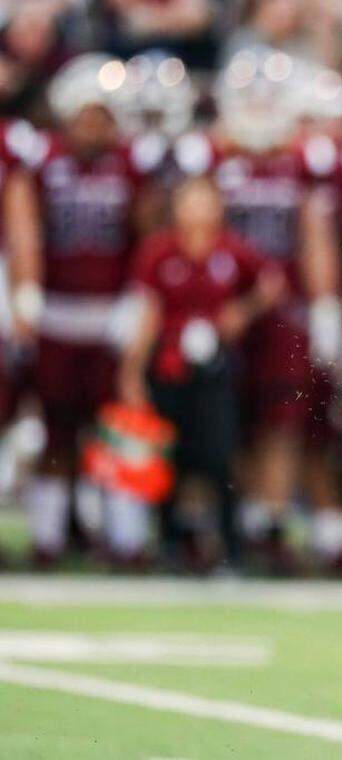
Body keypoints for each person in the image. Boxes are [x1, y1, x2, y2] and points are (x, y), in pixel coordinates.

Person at [174, 46, 342, 573]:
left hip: (282, 312)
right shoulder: (206, 154)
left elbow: (316, 234)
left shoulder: (305, 159)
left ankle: (266, 521)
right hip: (217, 311)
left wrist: (322, 306)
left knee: (280, 418)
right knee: (217, 419)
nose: (257, 107)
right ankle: (214, 521)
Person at [5, 54, 153, 568]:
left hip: (110, 313)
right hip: (58, 313)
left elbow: (146, 231)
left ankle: (123, 536)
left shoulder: (131, 163)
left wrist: (138, 294)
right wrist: (26, 293)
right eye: (86, 114)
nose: (93, 125)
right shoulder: (42, 159)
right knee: (57, 427)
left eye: (103, 115)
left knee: (118, 427)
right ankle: (48, 533)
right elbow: (23, 223)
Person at [118, 176, 284, 571]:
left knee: (220, 456)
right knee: (168, 457)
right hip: (169, 365)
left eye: (205, 201)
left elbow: (272, 281)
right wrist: (131, 371)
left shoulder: (231, 250)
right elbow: (148, 314)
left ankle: (229, 547)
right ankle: (170, 545)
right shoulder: (159, 251)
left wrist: (241, 311)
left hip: (215, 368)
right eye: (190, 201)